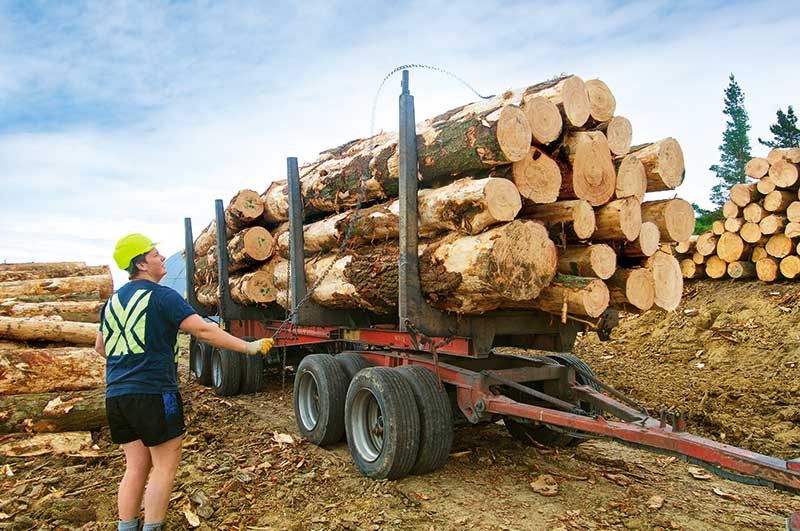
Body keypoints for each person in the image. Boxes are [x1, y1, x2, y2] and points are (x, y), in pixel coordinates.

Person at [95, 233, 274, 531]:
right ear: (140, 263)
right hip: (153, 393)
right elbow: (203, 331)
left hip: (117, 395)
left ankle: (126, 527)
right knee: (164, 465)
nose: (162, 258)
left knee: (135, 466)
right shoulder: (162, 297)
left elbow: (100, 348)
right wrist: (248, 347)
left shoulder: (112, 302)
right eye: (155, 254)